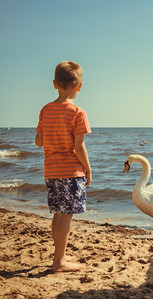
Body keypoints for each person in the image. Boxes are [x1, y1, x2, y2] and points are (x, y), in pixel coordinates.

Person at [35, 61, 92, 272]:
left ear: (54, 84)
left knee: (58, 214)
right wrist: (88, 168)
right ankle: (59, 262)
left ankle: (59, 256)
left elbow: (39, 141)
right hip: (70, 171)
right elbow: (79, 146)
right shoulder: (78, 112)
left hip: (51, 171)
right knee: (65, 216)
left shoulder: (45, 110)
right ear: (79, 86)